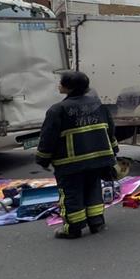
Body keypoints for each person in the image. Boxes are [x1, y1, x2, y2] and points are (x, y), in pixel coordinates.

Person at [35, 71, 118, 239]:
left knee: (71, 193)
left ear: (68, 87)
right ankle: (96, 222)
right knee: (93, 188)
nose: (58, 85)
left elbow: (48, 137)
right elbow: (110, 130)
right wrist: (113, 153)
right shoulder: (99, 105)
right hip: (98, 159)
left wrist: (42, 158)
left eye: (60, 82)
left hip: (70, 163)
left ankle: (73, 228)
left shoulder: (58, 110)